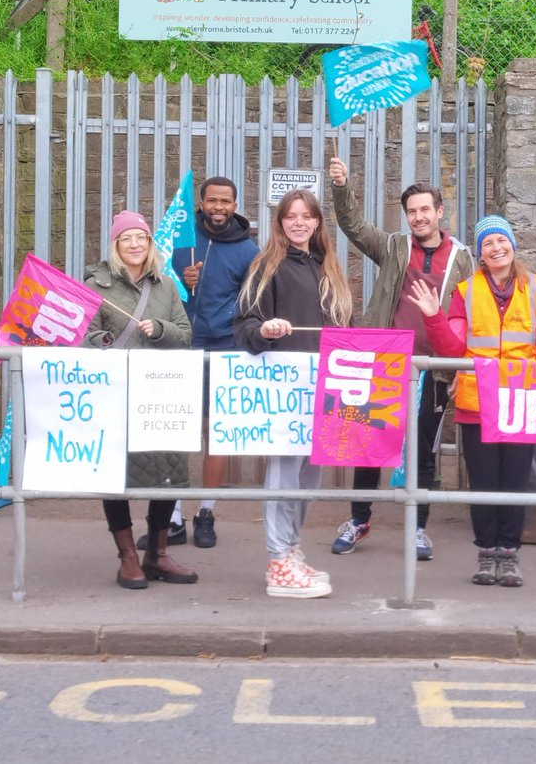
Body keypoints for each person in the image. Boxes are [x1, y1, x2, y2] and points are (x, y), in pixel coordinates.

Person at [327, 157, 475, 560]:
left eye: (425, 209)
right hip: (385, 363)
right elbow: (353, 227)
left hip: (432, 370)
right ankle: (359, 519)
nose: (418, 217)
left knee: (423, 449)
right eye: (412, 212)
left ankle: (418, 527)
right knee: (368, 444)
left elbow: (469, 315)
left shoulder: (462, 258)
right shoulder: (394, 246)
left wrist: (461, 367)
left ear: (440, 212)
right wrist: (342, 186)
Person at [407, 214, 536, 588]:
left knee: (514, 483)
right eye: (488, 243)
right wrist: (433, 318)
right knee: (484, 481)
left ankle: (509, 554)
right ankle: (486, 553)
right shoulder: (466, 291)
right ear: (480, 254)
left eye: (501, 241)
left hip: (523, 403)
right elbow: (453, 348)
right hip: (478, 403)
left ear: (513, 245)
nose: (496, 248)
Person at [234, 189, 352, 599]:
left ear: (318, 222)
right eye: (291, 216)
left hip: (324, 389)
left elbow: (344, 331)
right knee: (284, 473)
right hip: (284, 390)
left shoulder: (329, 268)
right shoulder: (267, 266)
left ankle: (292, 546)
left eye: (306, 216)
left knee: (310, 476)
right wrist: (264, 331)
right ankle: (277, 559)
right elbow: (245, 323)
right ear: (280, 222)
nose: (299, 222)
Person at [84, 211, 198, 589]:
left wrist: (162, 329)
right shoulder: (96, 285)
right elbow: (81, 334)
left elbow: (185, 333)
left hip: (160, 394)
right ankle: (128, 556)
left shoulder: (165, 286)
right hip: (113, 391)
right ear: (115, 245)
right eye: (127, 238)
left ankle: (158, 554)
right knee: (115, 477)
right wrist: (103, 342)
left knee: (166, 471)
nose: (135, 244)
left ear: (150, 244)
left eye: (142, 238)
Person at [171, 176, 258, 549]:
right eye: (212, 201)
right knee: (173, 426)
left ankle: (206, 511)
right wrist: (180, 276)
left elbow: (253, 299)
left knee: (216, 429)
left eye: (226, 201)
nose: (219, 207)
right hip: (181, 340)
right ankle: (170, 515)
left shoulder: (249, 250)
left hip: (225, 344)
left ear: (235, 205)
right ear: (201, 203)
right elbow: (157, 283)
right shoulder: (180, 240)